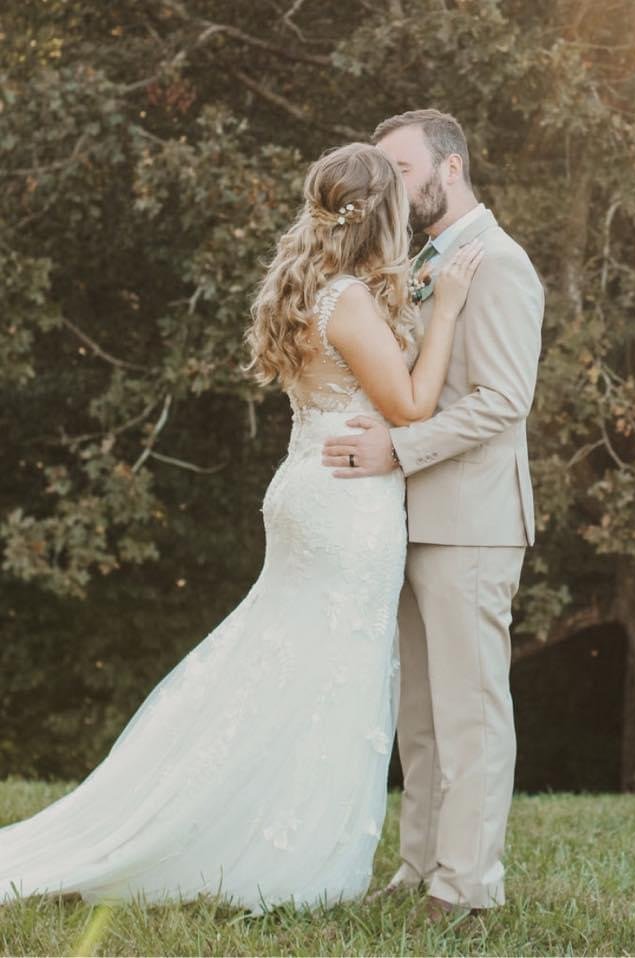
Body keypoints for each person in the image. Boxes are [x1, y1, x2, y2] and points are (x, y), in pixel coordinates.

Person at [0, 142, 483, 914]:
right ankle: (278, 854)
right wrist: (449, 310)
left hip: (308, 487)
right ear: (382, 215)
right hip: (345, 502)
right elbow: (413, 407)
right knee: (327, 674)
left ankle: (223, 813)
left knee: (280, 663)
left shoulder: (312, 289)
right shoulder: (349, 300)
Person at [322, 110, 544, 920]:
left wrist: (397, 453)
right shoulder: (423, 262)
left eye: (401, 167)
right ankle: (418, 869)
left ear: (449, 169)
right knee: (418, 715)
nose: (389, 183)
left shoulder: (501, 264)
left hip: (473, 523)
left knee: (470, 711)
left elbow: (502, 402)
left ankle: (468, 887)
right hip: (411, 521)